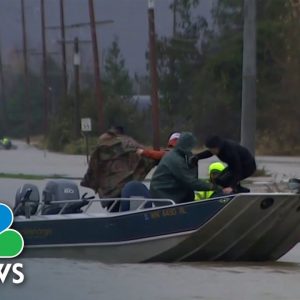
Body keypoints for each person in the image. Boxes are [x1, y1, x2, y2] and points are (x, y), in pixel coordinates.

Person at [150, 132, 229, 203]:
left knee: (188, 194)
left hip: (174, 190)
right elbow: (191, 181)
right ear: (187, 146)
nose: (192, 150)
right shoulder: (175, 160)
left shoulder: (182, 156)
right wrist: (215, 187)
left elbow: (192, 174)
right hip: (164, 192)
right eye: (191, 147)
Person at [191, 135, 256, 193]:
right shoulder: (218, 148)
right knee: (218, 181)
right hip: (234, 167)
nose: (211, 152)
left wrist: (232, 187)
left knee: (227, 182)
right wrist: (197, 157)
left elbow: (237, 170)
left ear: (217, 147)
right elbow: (209, 153)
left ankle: (239, 192)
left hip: (247, 167)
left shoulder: (230, 152)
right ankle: (236, 191)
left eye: (212, 150)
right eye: (210, 149)